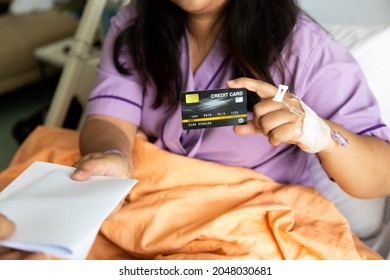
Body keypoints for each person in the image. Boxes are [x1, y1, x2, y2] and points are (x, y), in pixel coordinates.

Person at [71, 0, 390, 199]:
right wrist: (112, 156)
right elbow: (109, 117)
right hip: (150, 195)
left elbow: (381, 177)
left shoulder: (306, 51)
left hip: (253, 214)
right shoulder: (135, 22)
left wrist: (322, 135)